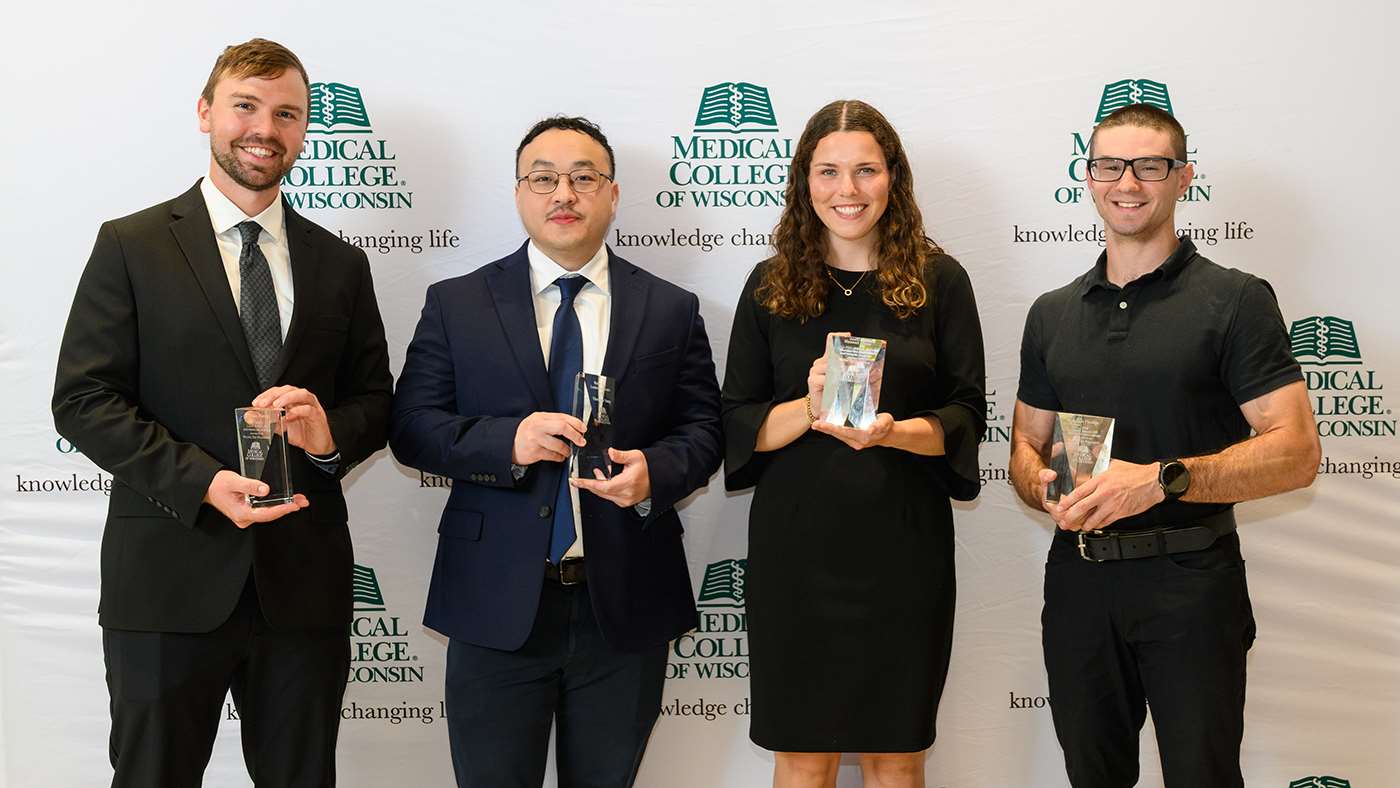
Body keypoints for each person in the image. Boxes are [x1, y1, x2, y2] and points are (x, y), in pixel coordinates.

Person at [51, 38, 393, 788]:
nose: (264, 129)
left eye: (287, 114)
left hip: (302, 588)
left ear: (304, 131)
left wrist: (328, 430)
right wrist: (201, 481)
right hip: (169, 580)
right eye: (245, 105)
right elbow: (82, 398)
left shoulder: (341, 263)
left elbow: (377, 401)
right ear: (207, 113)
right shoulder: (131, 245)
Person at [389, 115, 722, 788]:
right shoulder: (457, 304)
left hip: (624, 605)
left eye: (583, 178)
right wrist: (506, 441)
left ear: (613, 194)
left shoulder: (670, 308)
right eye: (544, 178)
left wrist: (653, 473)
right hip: (494, 603)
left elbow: (705, 429)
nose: (563, 193)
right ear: (519, 193)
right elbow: (412, 427)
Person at [1008, 103, 1319, 787]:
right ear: (1087, 178)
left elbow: (1297, 451)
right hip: (1079, 580)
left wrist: (1159, 480)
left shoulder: (1234, 300)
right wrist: (1048, 488)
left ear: (1183, 179)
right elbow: (1025, 450)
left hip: (1191, 581)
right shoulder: (1051, 313)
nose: (1128, 182)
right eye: (1109, 165)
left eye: (1150, 166)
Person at [721, 100, 986, 788]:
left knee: (895, 756)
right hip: (796, 556)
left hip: (904, 553)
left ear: (892, 178)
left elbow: (963, 416)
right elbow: (739, 423)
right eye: (829, 171)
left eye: (866, 170)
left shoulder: (939, 282)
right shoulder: (769, 286)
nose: (848, 189)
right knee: (802, 755)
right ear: (804, 182)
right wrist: (807, 408)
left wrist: (896, 432)